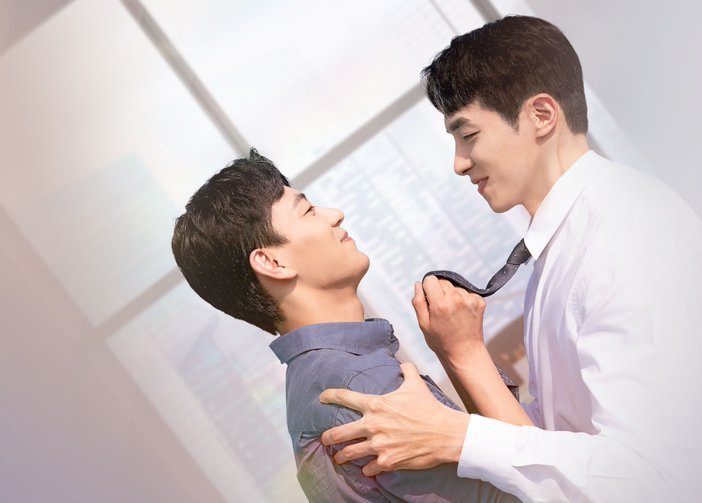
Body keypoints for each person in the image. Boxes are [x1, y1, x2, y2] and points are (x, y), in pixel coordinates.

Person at [319, 15, 702, 502]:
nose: (458, 163)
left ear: (541, 115)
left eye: (468, 135)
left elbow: (648, 479)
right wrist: (463, 355)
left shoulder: (627, 238)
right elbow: (559, 445)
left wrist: (456, 437)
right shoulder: (565, 248)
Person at [171, 149, 519, 502]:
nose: (335, 214)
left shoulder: (315, 385)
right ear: (272, 263)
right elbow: (531, 489)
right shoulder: (365, 385)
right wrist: (465, 351)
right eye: (308, 211)